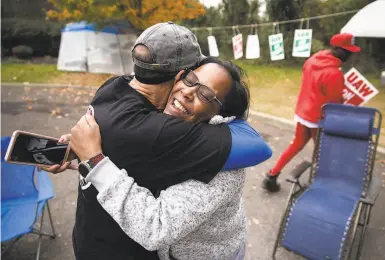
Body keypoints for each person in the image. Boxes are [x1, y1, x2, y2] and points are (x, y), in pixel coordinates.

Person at [44, 23, 270, 260]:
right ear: (178, 75)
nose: (188, 92)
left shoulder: (223, 167)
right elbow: (140, 161)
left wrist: (95, 161)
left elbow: (156, 226)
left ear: (220, 113)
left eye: (206, 94)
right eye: (190, 78)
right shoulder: (159, 122)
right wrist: (81, 153)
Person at [262, 32, 361, 192]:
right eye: (348, 51)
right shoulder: (335, 74)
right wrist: (347, 102)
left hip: (303, 112)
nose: (350, 55)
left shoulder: (314, 59)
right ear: (339, 50)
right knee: (323, 151)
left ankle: (272, 174)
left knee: (296, 145)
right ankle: (320, 185)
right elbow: (333, 105)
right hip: (318, 119)